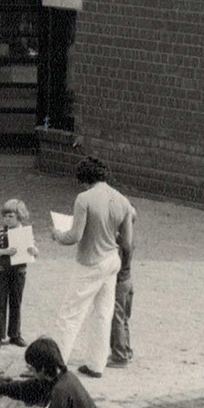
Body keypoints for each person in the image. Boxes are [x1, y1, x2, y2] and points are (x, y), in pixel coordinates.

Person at [50, 156, 136, 379]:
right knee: (103, 313)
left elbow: (74, 236)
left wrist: (57, 235)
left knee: (70, 313)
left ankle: (56, 365)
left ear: (84, 178)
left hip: (90, 262)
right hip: (112, 261)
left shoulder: (84, 198)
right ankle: (96, 365)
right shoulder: (123, 200)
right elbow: (126, 243)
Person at [0, 198, 40, 349]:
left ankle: (15, 334)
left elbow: (34, 250)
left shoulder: (25, 233)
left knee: (16, 303)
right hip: (2, 271)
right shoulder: (0, 232)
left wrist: (33, 251)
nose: (7, 219)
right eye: (5, 216)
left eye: (11, 216)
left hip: (19, 272)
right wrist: (4, 251)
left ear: (19, 216)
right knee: (0, 302)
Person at [109, 209, 135, 367]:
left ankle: (119, 355)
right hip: (128, 280)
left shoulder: (120, 241)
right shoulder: (130, 239)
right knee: (124, 317)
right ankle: (126, 350)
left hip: (119, 282)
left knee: (117, 317)